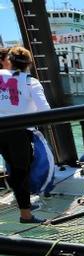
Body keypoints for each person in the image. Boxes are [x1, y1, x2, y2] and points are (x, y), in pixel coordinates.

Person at [0, 46, 51, 223]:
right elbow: (45, 110)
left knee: (13, 170)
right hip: (19, 132)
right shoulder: (31, 82)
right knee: (20, 171)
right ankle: (26, 215)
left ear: (10, 61)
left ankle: (25, 204)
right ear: (29, 63)